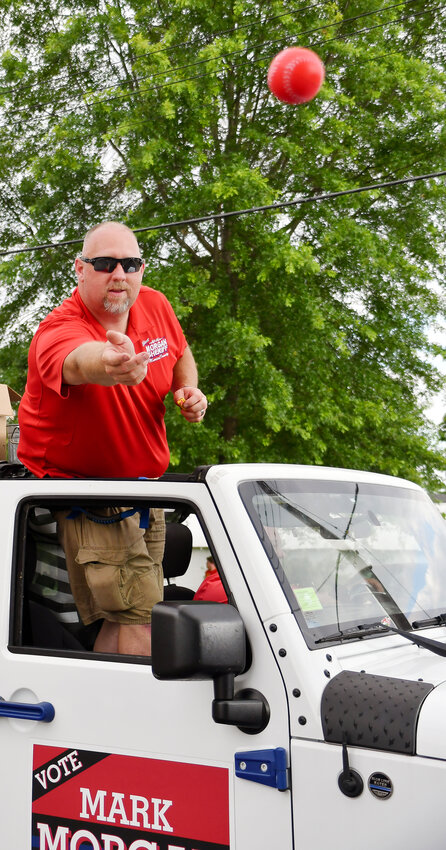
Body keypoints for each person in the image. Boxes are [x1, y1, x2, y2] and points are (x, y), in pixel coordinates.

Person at [18, 220, 208, 656]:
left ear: (142, 268)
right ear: (80, 269)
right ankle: (142, 718)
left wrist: (188, 390)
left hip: (145, 493)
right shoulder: (58, 329)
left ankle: (92, 710)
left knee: (128, 617)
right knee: (141, 621)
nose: (119, 274)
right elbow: (80, 362)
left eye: (130, 263)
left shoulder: (156, 306)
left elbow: (180, 352)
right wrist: (112, 363)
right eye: (104, 263)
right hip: (89, 495)